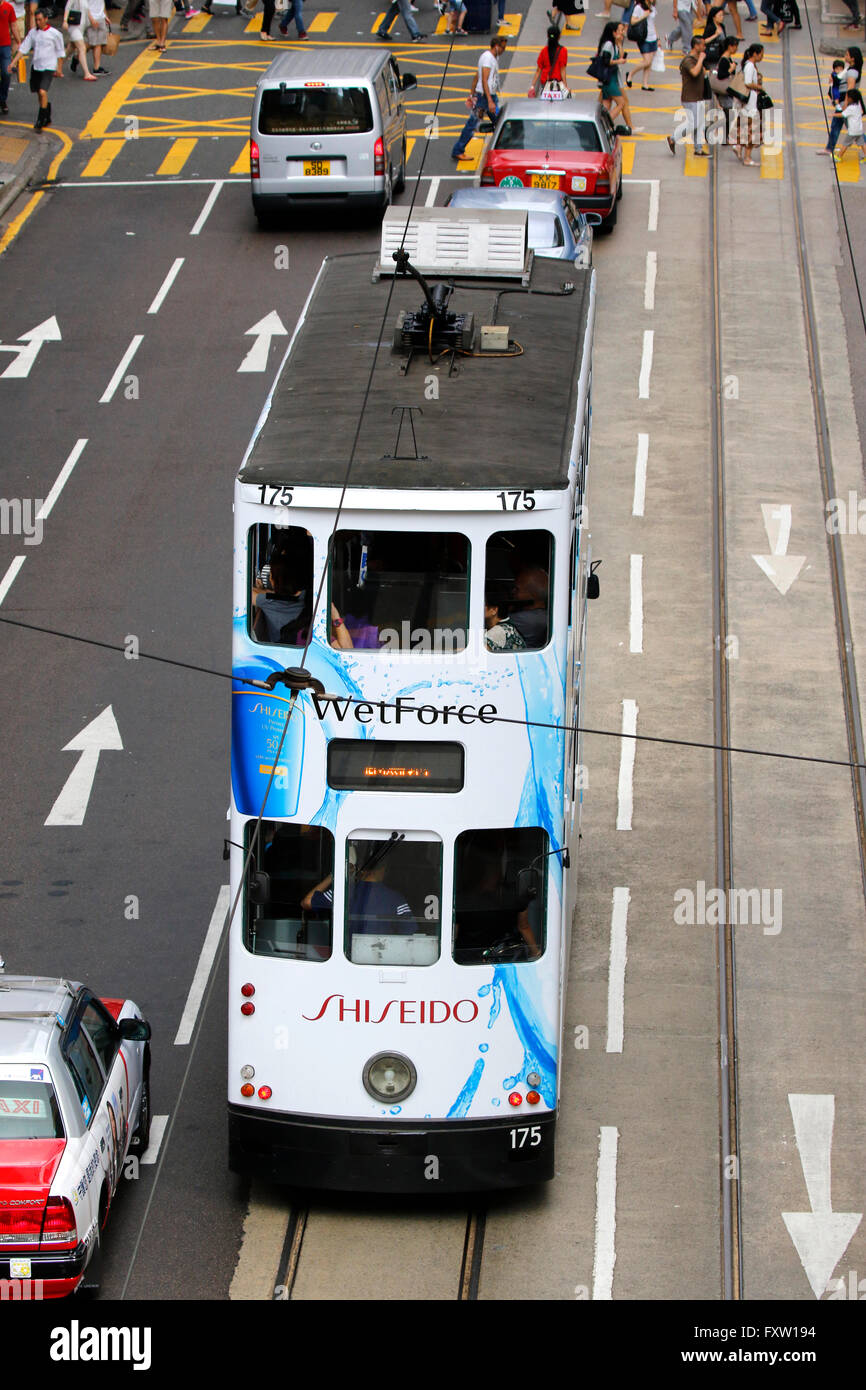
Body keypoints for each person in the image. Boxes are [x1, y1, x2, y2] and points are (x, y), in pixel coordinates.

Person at [302, 857, 417, 936]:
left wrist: (334, 875)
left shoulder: (344, 892)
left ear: (360, 868)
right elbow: (409, 932)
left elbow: (307, 902)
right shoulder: (396, 899)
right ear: (384, 869)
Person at [451, 32, 507, 159]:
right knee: (477, 124)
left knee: (499, 121)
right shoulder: (488, 59)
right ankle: (458, 150)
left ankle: (503, 148)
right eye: (503, 48)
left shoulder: (489, 57)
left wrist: (472, 93)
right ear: (496, 46)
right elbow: (484, 80)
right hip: (485, 98)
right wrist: (490, 101)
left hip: (485, 96)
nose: (504, 50)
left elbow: (477, 76)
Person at [16, 7, 63, 127]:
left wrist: (59, 69)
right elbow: (24, 48)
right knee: (39, 93)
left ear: (46, 19)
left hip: (49, 67)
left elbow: (60, 52)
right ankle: (46, 113)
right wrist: (13, 62)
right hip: (36, 66)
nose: (38, 22)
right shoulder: (33, 32)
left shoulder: (55, 34)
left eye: (40, 20)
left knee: (42, 92)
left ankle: (40, 119)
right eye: (36, 20)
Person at [667, 32, 707, 155]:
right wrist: (701, 60)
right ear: (696, 46)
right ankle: (673, 138)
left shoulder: (695, 59)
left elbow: (703, 72)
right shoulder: (688, 60)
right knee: (693, 123)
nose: (704, 48)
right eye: (703, 45)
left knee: (700, 123)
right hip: (690, 98)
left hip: (699, 96)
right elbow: (694, 72)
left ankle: (698, 148)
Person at [596, 20, 638, 132]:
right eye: (619, 30)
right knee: (621, 102)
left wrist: (619, 44)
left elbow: (621, 56)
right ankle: (605, 124)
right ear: (613, 32)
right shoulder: (608, 44)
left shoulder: (614, 44)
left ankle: (599, 122)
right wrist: (618, 61)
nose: (622, 32)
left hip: (612, 78)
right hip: (609, 79)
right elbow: (606, 61)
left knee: (606, 104)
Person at [735, 40, 763, 164]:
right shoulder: (750, 66)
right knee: (754, 130)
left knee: (747, 128)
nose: (762, 56)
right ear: (755, 54)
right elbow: (747, 82)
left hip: (748, 102)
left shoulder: (748, 64)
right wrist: (759, 87)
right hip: (750, 102)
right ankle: (747, 157)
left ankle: (738, 146)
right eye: (761, 54)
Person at [508, 566, 549, 648]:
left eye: (517, 589)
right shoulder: (544, 615)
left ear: (533, 595)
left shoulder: (525, 619)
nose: (513, 592)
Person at [626, 0, 660, 92]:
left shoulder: (652, 7)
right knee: (647, 61)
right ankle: (630, 74)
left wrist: (657, 38)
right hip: (644, 37)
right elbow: (632, 21)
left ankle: (645, 84)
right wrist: (643, 16)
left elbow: (653, 24)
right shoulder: (639, 7)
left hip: (653, 37)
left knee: (649, 62)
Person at [529, 23, 567, 95]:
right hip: (557, 83)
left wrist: (532, 86)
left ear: (547, 36)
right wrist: (565, 86)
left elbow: (538, 70)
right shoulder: (563, 51)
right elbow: (562, 70)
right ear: (559, 37)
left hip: (545, 82)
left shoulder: (543, 51)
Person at [63, 0, 96, 79]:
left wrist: (92, 20)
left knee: (69, 50)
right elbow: (67, 8)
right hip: (74, 28)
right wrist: (65, 21)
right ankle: (87, 73)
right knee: (82, 48)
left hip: (81, 28)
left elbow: (87, 11)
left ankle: (56, 67)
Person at [834, 86, 866, 160]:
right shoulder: (858, 106)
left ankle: (839, 157)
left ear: (850, 99)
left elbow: (842, 114)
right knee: (862, 144)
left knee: (845, 144)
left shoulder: (850, 108)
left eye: (847, 97)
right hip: (859, 130)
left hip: (852, 131)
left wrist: (833, 115)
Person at [0, 0, 18, 113]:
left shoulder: (9, 7)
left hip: (5, 45)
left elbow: (13, 25)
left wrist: (18, 41)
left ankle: (2, 99)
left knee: (6, 73)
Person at [83, 0, 109, 74]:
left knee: (98, 44)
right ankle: (77, 56)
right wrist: (91, 19)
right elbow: (84, 6)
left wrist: (105, 16)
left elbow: (102, 3)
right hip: (91, 19)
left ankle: (96, 68)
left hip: (100, 18)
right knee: (90, 44)